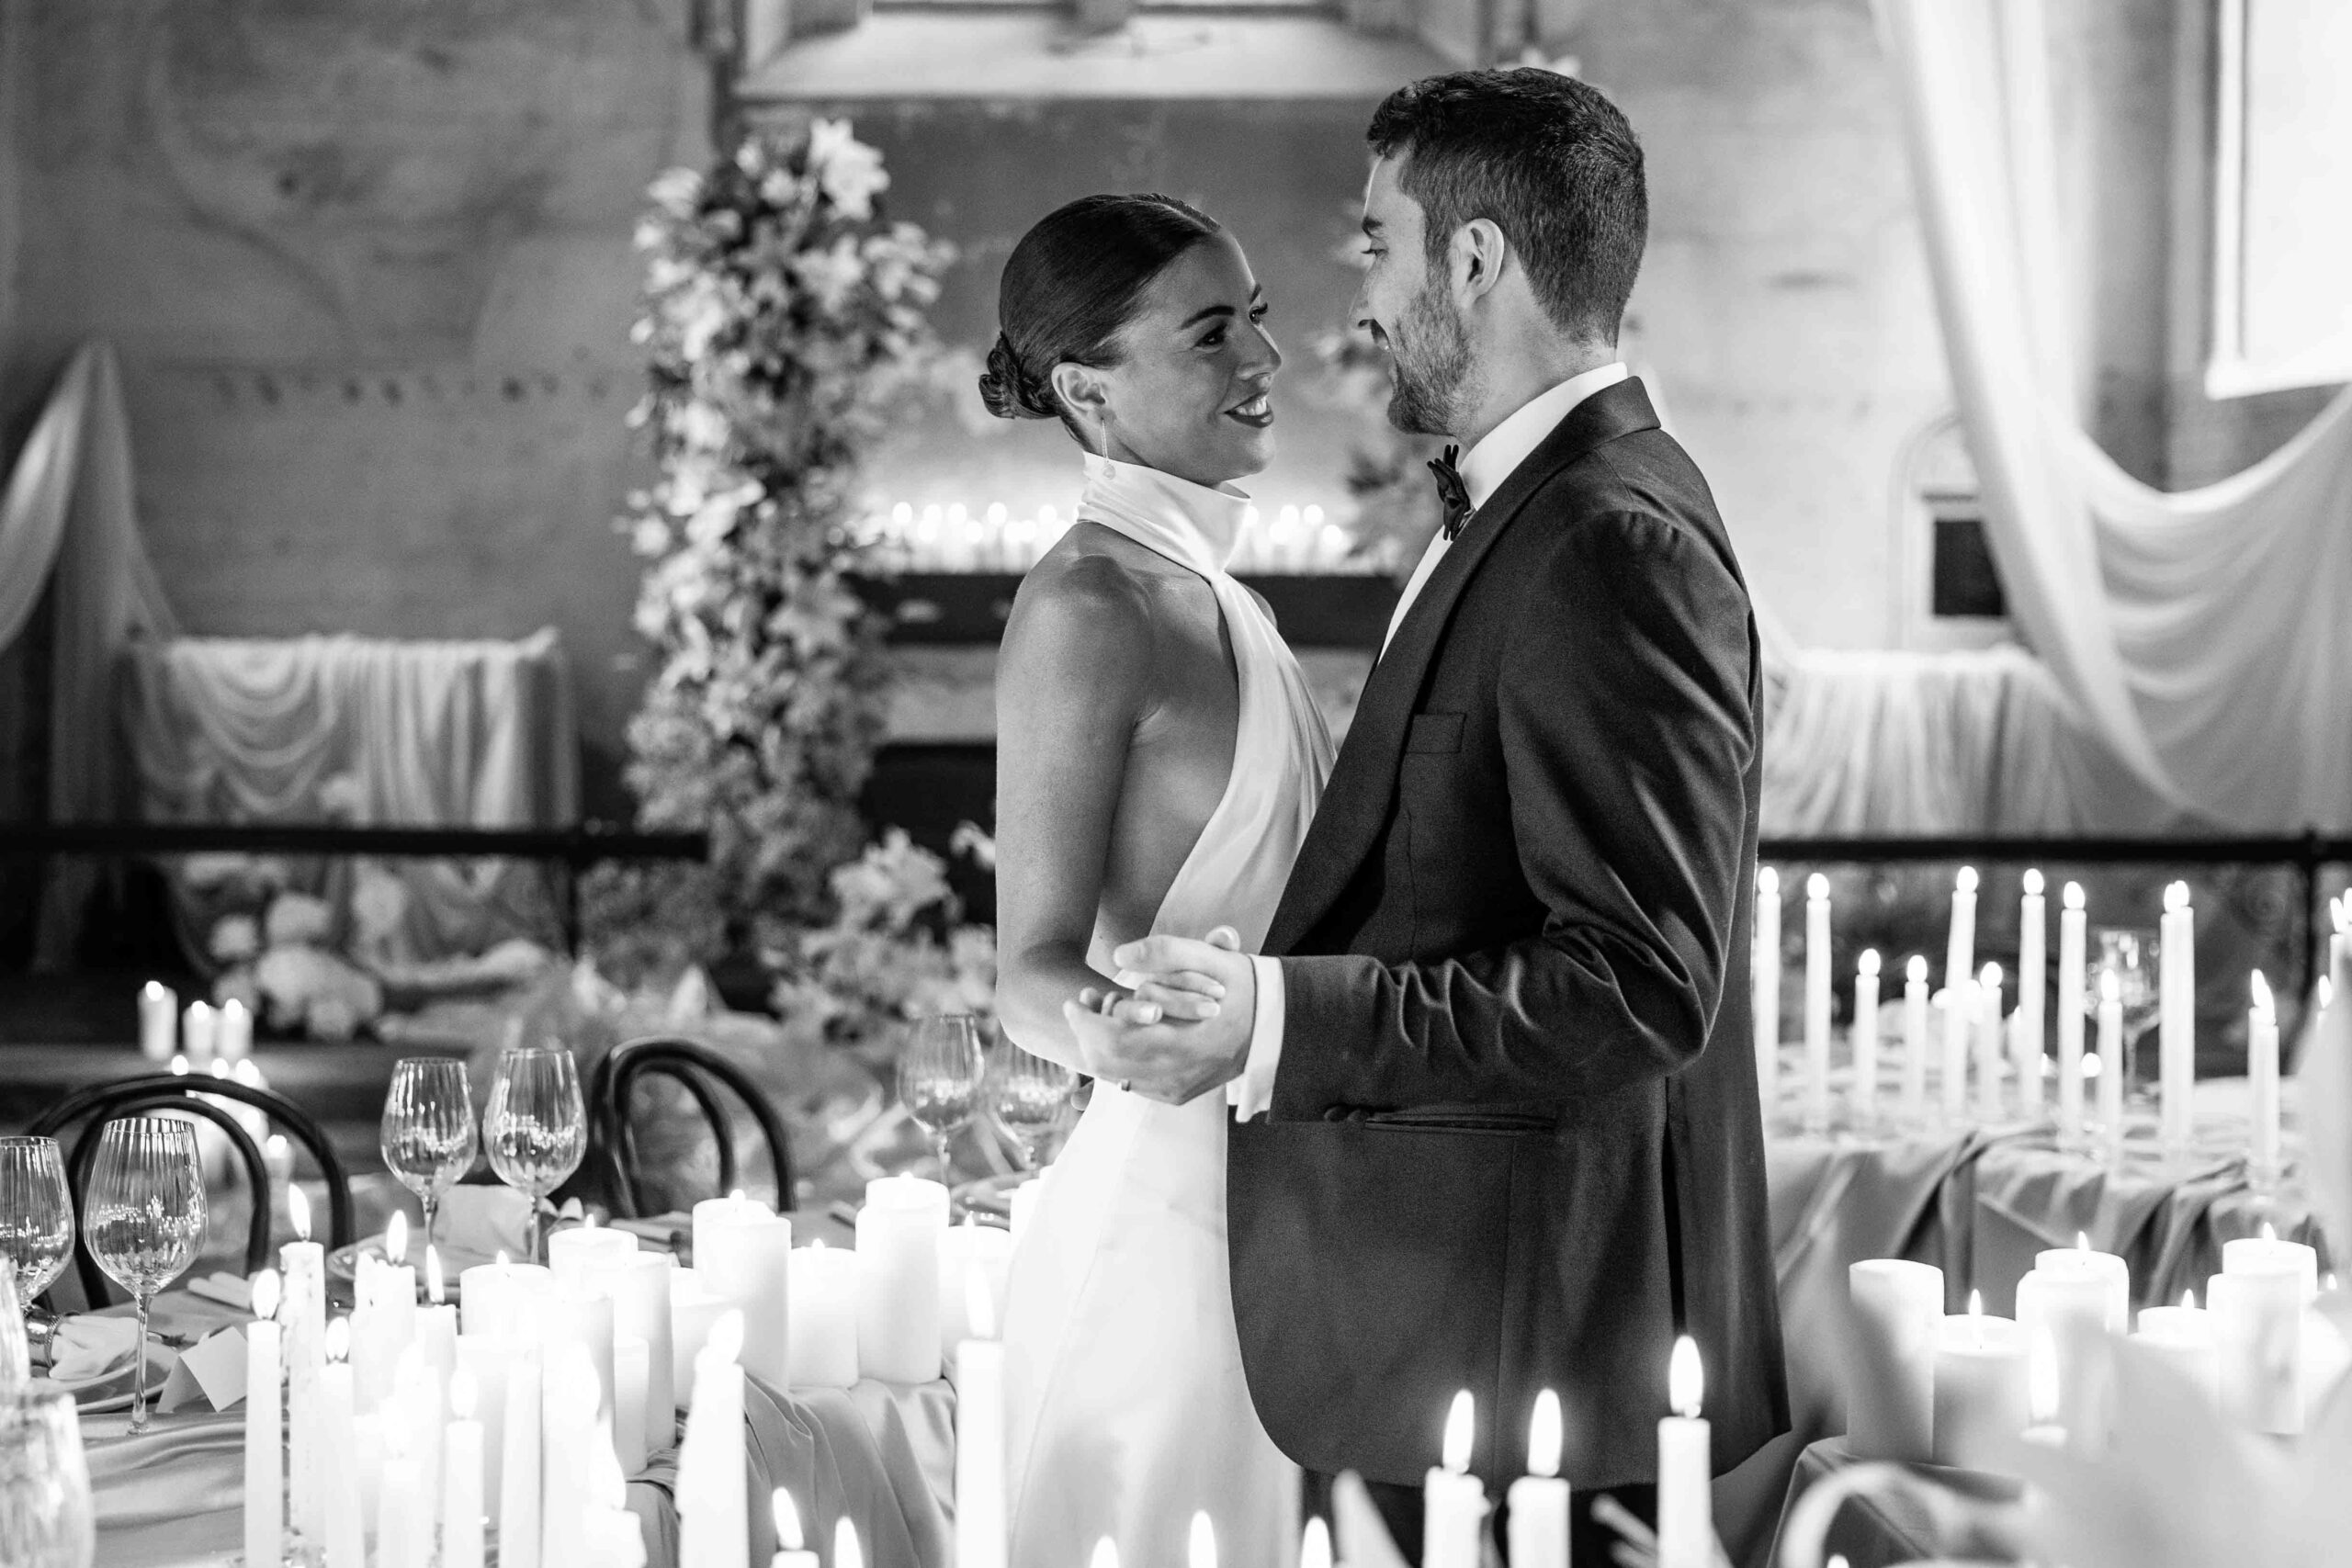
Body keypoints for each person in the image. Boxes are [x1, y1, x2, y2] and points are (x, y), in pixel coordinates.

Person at [1067, 68, 1790, 1563]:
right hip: (1459, 1324)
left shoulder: (1609, 539)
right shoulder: (1533, 510)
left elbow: (1641, 982)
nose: (1365, 304)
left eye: (1378, 247)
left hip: (1536, 1353)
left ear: (1476, 260)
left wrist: (1275, 1021)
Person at [983, 193, 1333, 1568]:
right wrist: (1139, 1036)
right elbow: (1028, 971)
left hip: (1293, 1199)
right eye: (1210, 333)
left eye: (1258, 318)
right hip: (1171, 1227)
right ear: (1088, 389)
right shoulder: (1089, 606)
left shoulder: (1224, 595)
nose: (1264, 361)